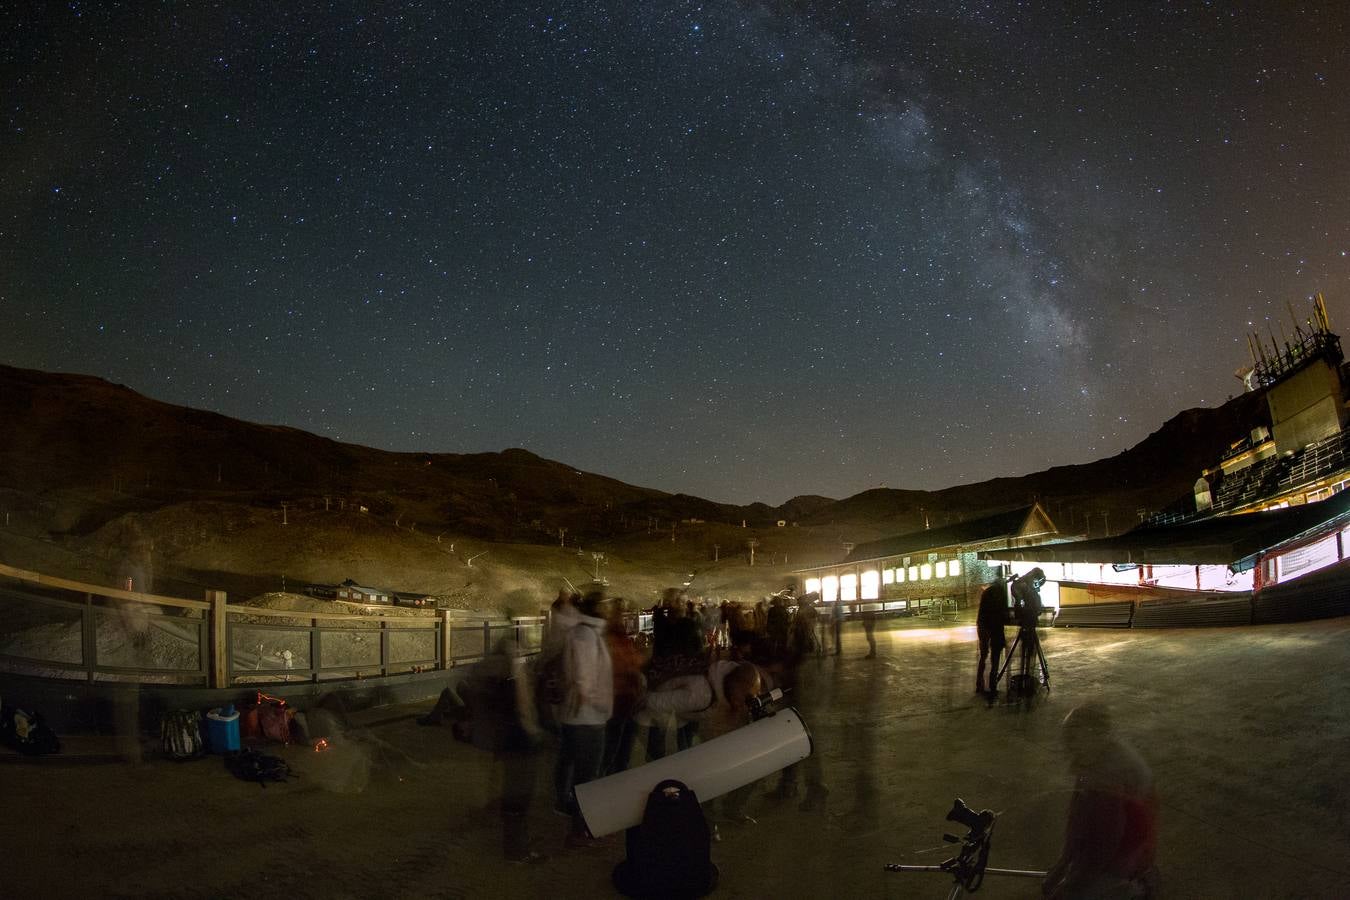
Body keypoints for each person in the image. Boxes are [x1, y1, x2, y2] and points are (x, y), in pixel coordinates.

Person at [1044, 704, 1159, 899]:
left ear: (1097, 736)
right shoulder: (1091, 756)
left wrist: (1074, 882)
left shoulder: (1110, 774)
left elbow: (1108, 842)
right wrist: (1064, 862)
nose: (1068, 745)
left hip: (1129, 845)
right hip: (1111, 831)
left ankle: (1133, 888)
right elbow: (1076, 816)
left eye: (1074, 739)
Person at [554, 590, 614, 847]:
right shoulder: (585, 635)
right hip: (586, 718)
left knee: (572, 765)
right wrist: (589, 700)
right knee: (587, 776)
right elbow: (583, 677)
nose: (611, 610)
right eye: (608, 605)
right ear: (597, 609)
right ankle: (579, 830)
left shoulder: (587, 633)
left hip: (581, 715)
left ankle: (567, 808)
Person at [976, 578, 1010, 697]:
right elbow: (1002, 612)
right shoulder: (1000, 592)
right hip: (993, 627)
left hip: (983, 625)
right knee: (995, 657)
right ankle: (992, 685)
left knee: (983, 655)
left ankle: (979, 684)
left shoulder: (987, 592)